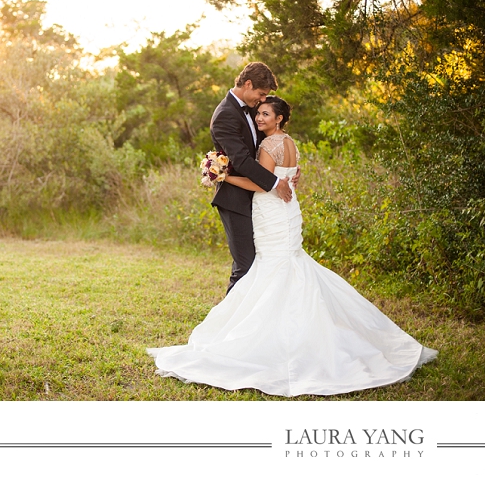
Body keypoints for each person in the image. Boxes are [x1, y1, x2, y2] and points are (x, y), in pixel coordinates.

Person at [147, 96, 437, 397]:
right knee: (288, 266)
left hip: (271, 211)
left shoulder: (267, 146)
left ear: (279, 119)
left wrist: (225, 176)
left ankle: (266, 342)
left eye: (265, 114)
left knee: (272, 268)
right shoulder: (290, 143)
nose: (260, 119)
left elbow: (262, 184)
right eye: (258, 113)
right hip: (287, 211)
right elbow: (285, 176)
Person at [209, 62, 299, 294]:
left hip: (260, 201)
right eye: (260, 94)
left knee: (261, 262)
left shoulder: (251, 109)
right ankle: (231, 324)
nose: (261, 100)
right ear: (247, 84)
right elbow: (240, 160)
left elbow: (265, 149)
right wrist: (275, 182)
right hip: (236, 200)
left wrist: (286, 171)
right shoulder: (225, 115)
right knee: (245, 265)